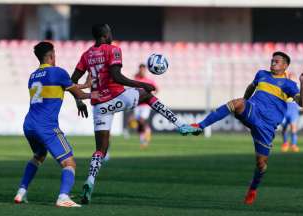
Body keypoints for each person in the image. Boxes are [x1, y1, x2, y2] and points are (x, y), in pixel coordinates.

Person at [70, 24, 200, 204]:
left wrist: (78, 101)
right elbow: (116, 77)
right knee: (146, 94)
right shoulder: (113, 50)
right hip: (117, 97)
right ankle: (181, 125)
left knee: (101, 149)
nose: (111, 34)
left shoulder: (86, 55)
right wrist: (141, 85)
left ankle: (89, 182)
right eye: (110, 31)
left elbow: (72, 80)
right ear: (106, 34)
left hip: (99, 106)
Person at [184, 52, 303, 205]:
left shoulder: (289, 84)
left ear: (285, 66)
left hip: (267, 127)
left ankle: (253, 188)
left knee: (261, 164)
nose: (273, 63)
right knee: (237, 103)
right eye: (272, 60)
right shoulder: (261, 74)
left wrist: (302, 83)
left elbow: (302, 103)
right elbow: (251, 86)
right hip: (253, 110)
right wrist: (245, 101)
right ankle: (199, 126)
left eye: (277, 61)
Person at [14, 41, 97, 207]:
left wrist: (84, 86)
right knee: (69, 163)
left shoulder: (33, 76)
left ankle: (21, 192)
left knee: (39, 156)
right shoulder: (58, 72)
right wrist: (91, 92)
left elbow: (62, 87)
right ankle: (63, 197)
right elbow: (78, 93)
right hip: (46, 126)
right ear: (51, 56)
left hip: (29, 124)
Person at [281, 71, 303, 153]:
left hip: (293, 110)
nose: (290, 78)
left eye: (291, 77)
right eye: (289, 77)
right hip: (284, 109)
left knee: (293, 128)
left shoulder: (297, 87)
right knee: (284, 128)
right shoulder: (284, 87)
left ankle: (293, 145)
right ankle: (285, 144)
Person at [133, 63, 158, 148]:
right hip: (137, 104)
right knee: (139, 124)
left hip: (145, 105)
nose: (142, 71)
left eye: (143, 70)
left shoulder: (149, 81)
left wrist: (149, 94)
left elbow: (156, 89)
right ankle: (142, 140)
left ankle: (147, 131)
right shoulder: (136, 79)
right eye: (140, 69)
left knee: (141, 120)